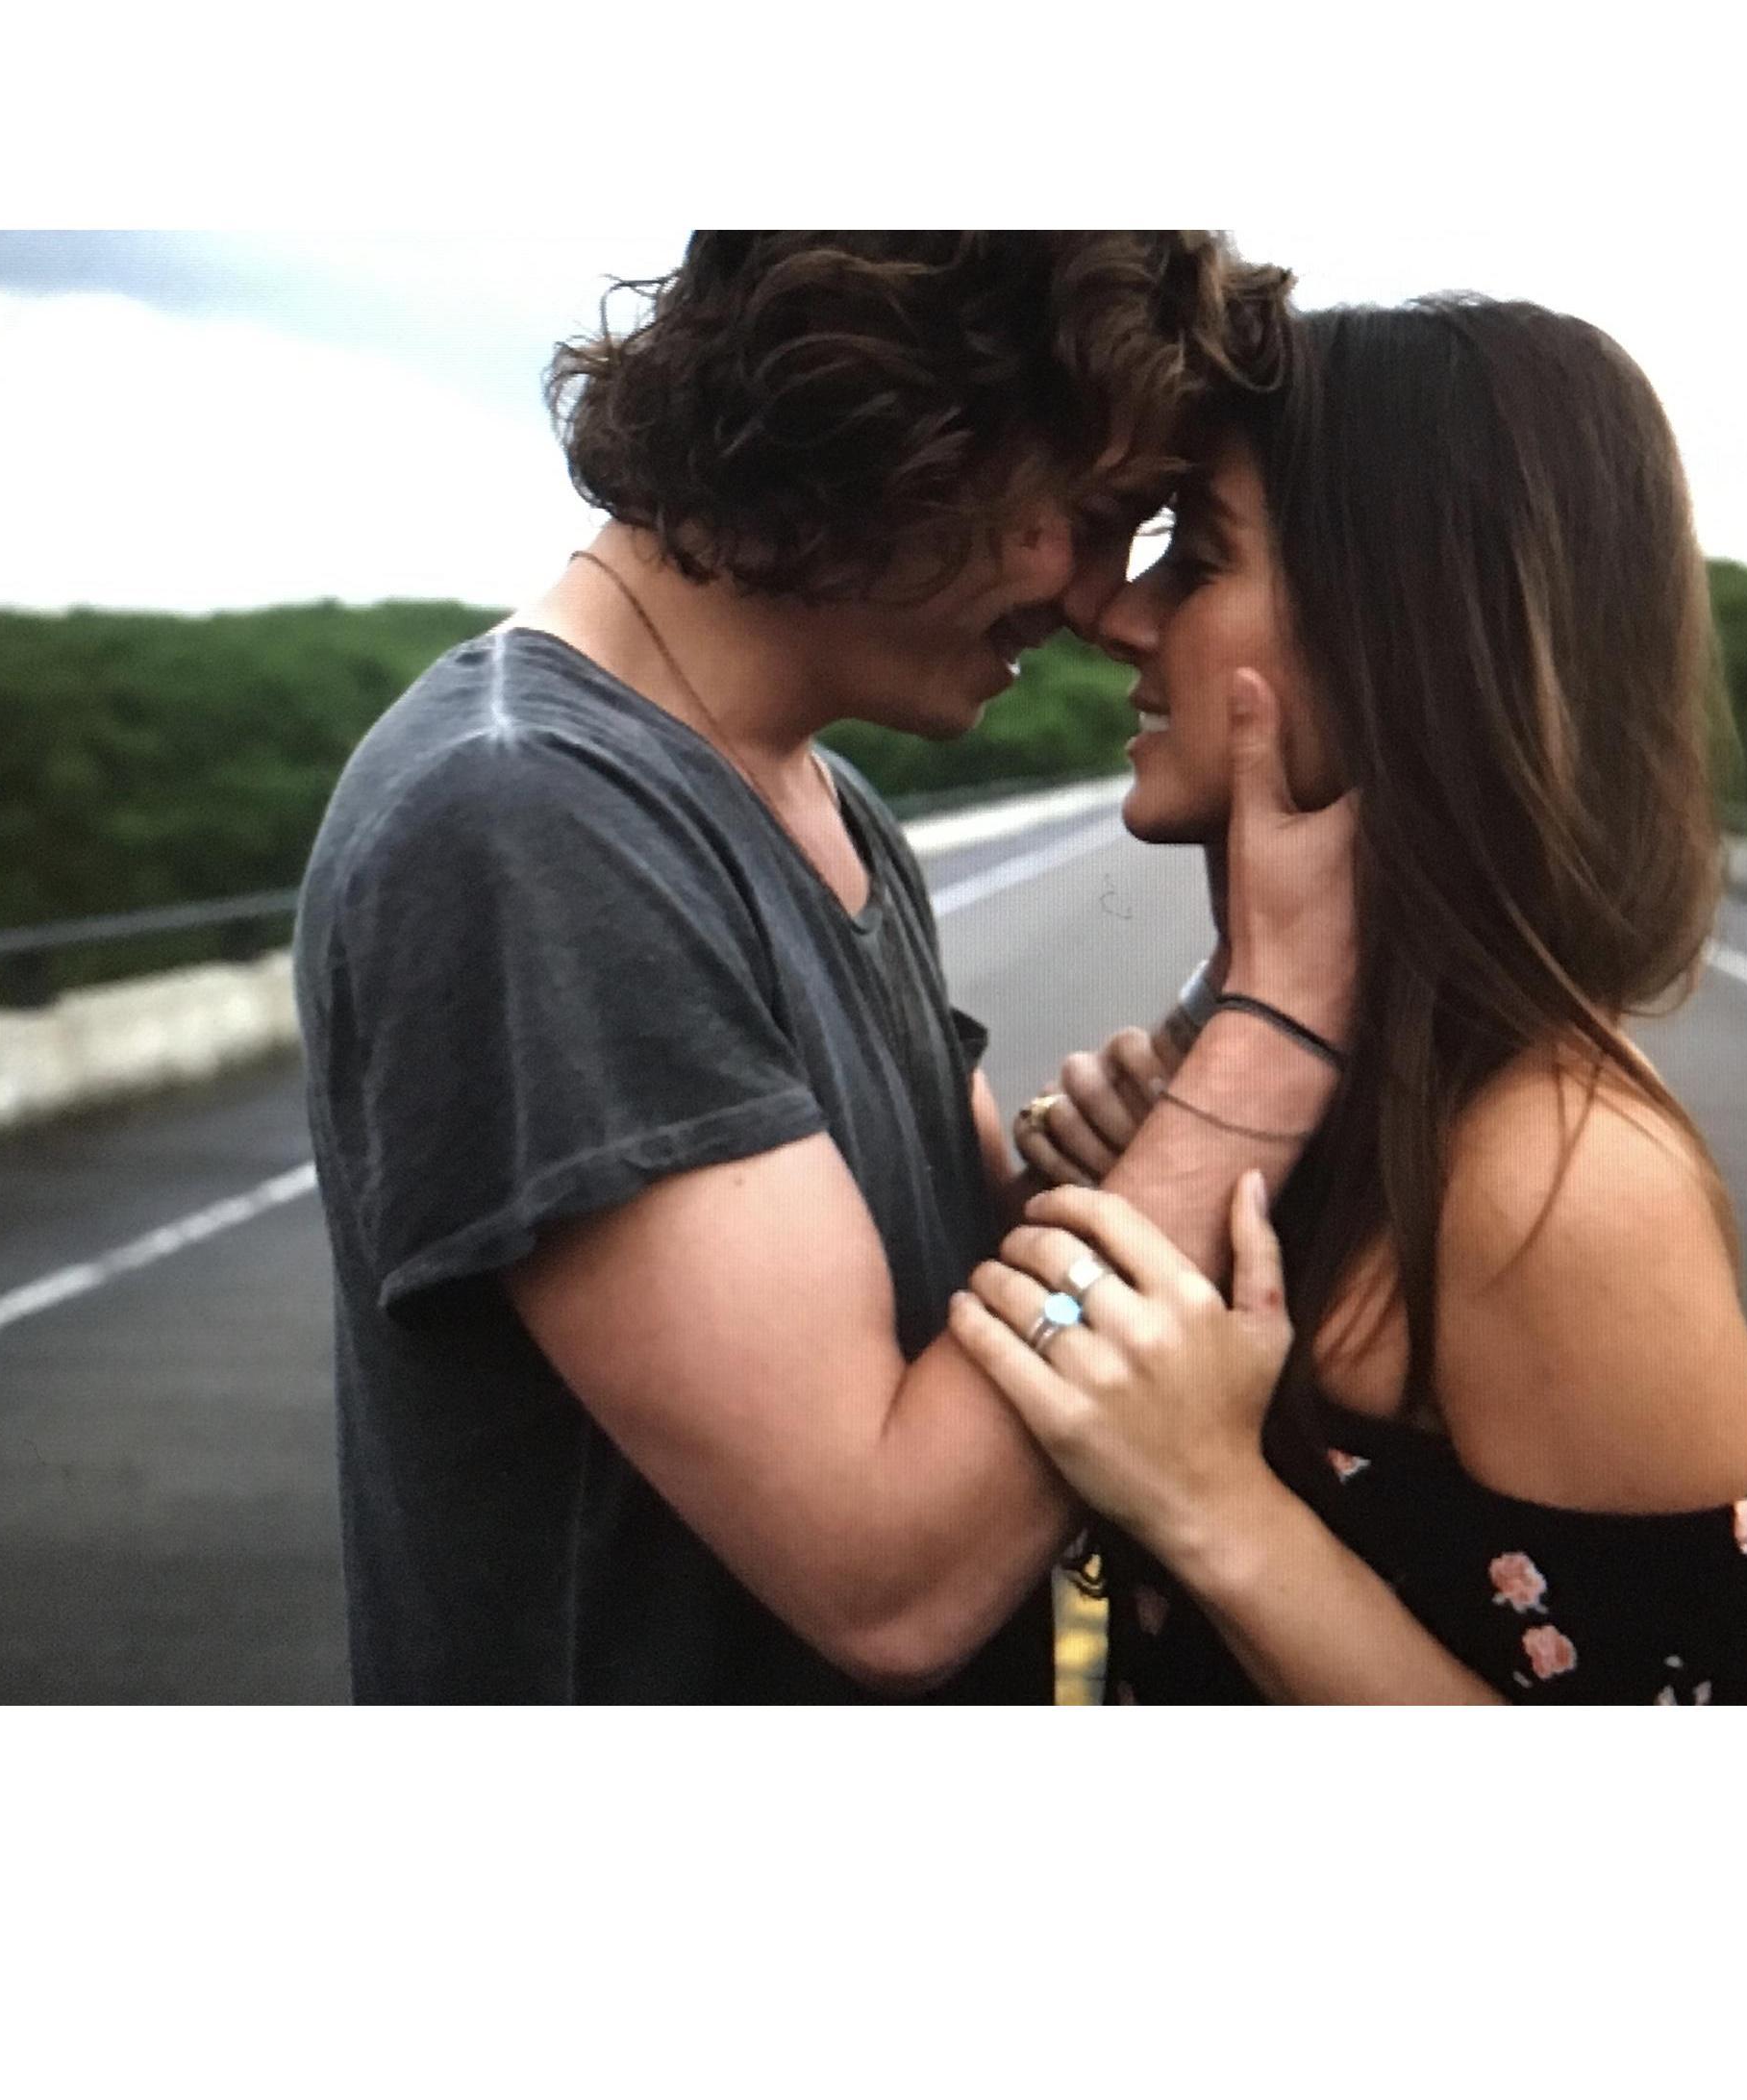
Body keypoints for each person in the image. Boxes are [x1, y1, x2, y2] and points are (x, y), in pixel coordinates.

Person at [292, 229, 1369, 1702]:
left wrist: (1164, 1105)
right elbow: (892, 1574)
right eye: (1092, 516)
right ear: (898, 429)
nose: (1097, 601)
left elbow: (974, 1312)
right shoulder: (526, 820)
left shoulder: (816, 799)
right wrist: (1280, 1020)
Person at [949, 296, 1747, 1704]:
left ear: (1400, 633)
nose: (1116, 612)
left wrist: (1209, 1498)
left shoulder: (1560, 1177)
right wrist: (1133, 1203)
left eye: (1200, 555)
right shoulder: (1318, 1092)